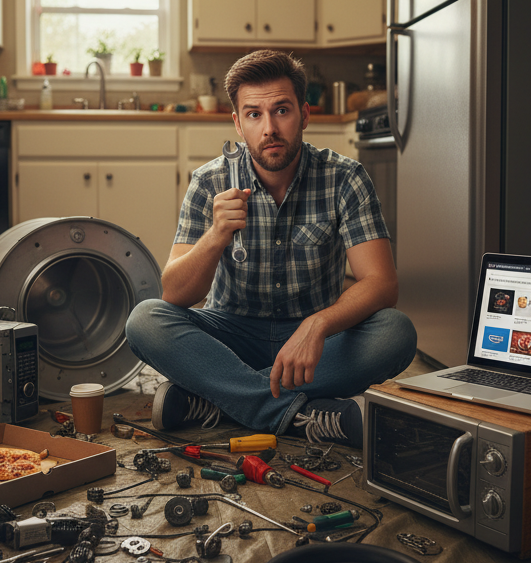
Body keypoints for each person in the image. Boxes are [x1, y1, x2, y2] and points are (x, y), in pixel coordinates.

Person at [125, 49, 416, 447]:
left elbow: (382, 284)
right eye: (254, 114)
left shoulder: (346, 178)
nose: (269, 129)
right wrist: (215, 235)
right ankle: (298, 415)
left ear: (304, 115)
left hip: (317, 343)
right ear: (238, 123)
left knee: (395, 333)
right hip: (230, 333)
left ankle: (219, 399)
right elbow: (175, 294)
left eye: (281, 110)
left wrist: (317, 326)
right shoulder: (209, 180)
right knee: (145, 319)